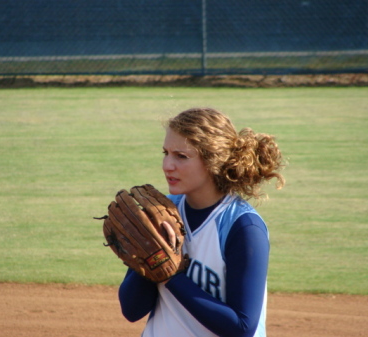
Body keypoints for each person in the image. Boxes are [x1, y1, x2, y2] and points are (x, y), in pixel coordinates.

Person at [118, 107, 285, 337]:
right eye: (165, 152)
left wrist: (172, 276)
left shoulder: (243, 227)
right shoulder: (160, 212)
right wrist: (152, 259)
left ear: (212, 161)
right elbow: (131, 310)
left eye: (181, 156)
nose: (167, 165)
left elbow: (242, 327)